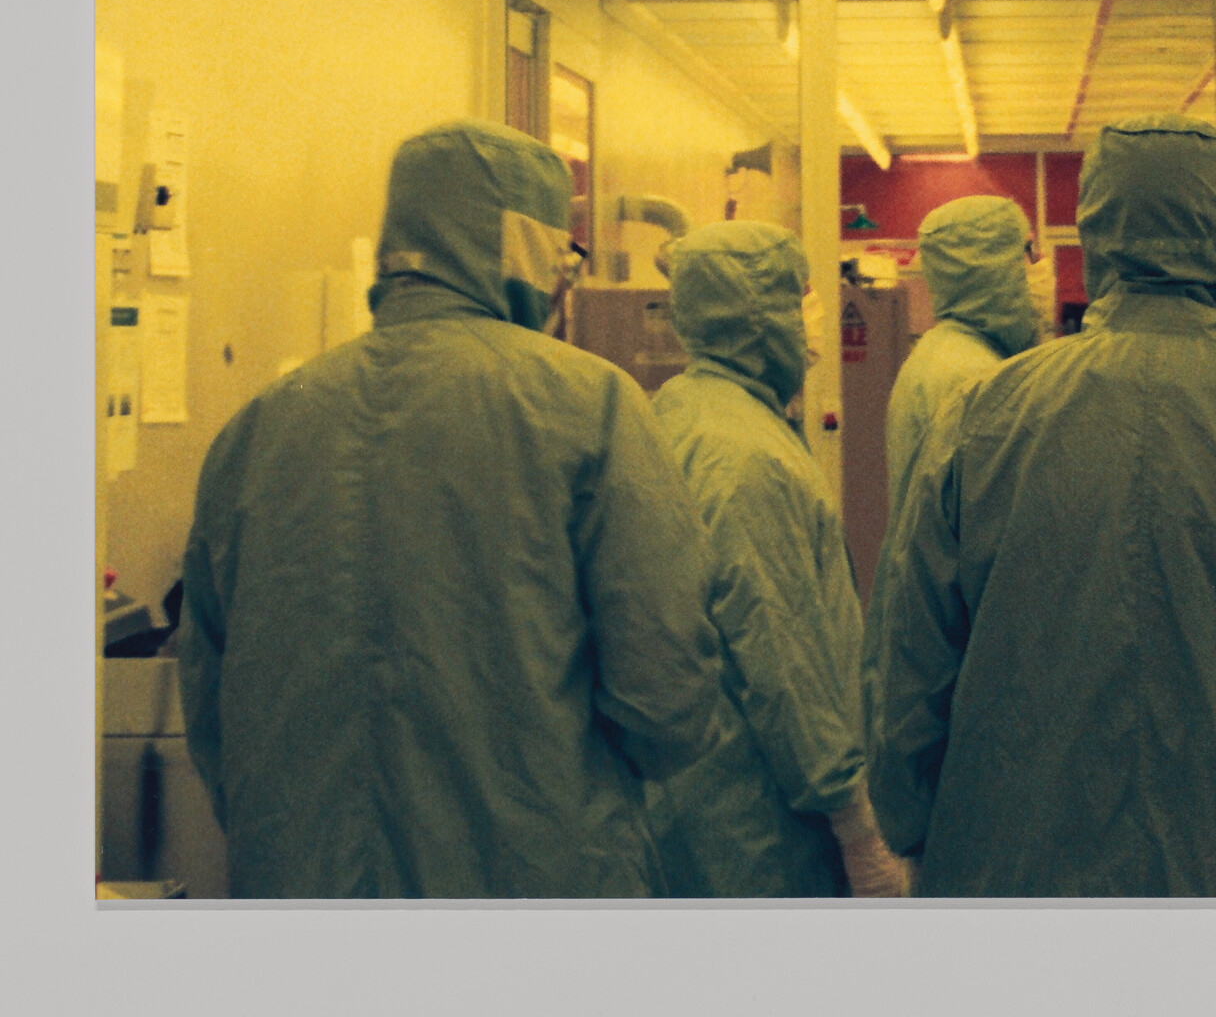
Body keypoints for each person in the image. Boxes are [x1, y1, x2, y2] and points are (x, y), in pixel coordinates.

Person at [178, 121, 724, 898]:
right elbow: (664, 696)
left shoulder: (258, 427)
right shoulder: (589, 406)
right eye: (562, 256)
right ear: (529, 248)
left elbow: (209, 702)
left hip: (301, 887)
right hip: (529, 886)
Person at [867, 116, 1216, 897]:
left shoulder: (986, 416)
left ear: (1096, 236)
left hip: (1010, 861)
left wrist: (908, 825)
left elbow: (911, 664)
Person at [644, 220, 910, 898]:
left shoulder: (688, 412)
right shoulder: (745, 458)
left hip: (702, 796)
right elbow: (783, 655)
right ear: (756, 315)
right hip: (756, 819)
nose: (814, 315)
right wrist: (853, 822)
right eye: (801, 298)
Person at [883, 195, 1041, 525]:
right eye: (1028, 255)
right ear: (994, 268)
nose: (1040, 269)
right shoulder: (975, 376)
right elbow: (996, 527)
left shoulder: (942, 351)